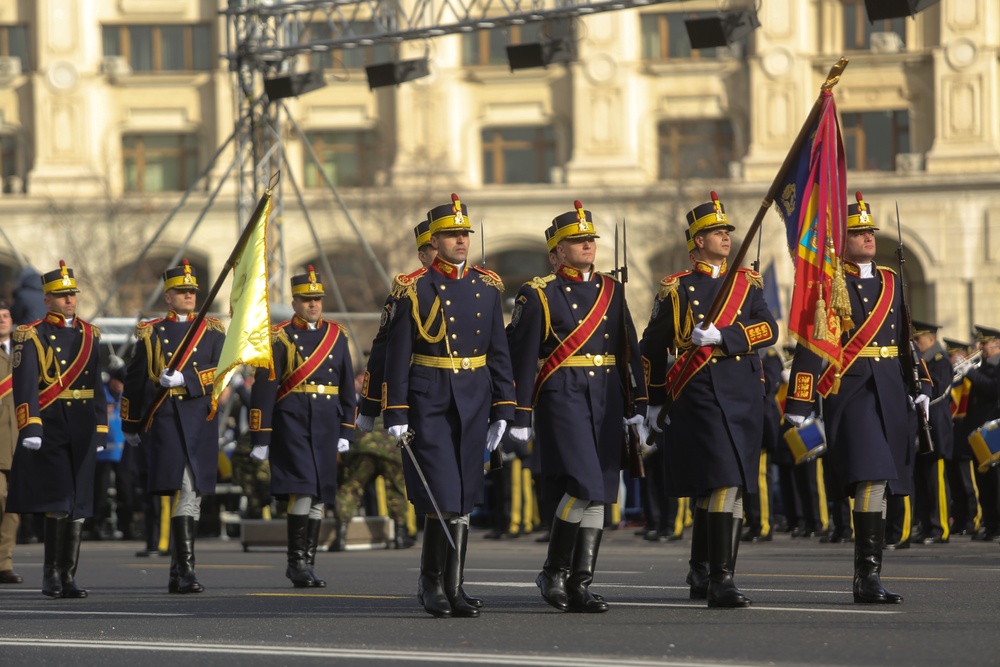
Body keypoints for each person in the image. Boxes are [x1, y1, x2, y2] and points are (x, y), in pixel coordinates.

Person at [784, 192, 930, 604]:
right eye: (858, 232)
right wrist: (800, 400)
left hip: (891, 387)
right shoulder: (830, 283)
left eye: (870, 231)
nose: (868, 237)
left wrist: (921, 386)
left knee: (883, 481)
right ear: (840, 240)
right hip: (851, 388)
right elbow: (813, 343)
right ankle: (865, 576)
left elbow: (906, 340)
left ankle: (871, 574)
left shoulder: (890, 280)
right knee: (870, 472)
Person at [506, 200, 647, 613]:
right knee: (582, 484)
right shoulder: (537, 293)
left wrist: (637, 398)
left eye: (590, 239)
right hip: (562, 393)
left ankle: (580, 582)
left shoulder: (612, 290)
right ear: (556, 253)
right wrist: (519, 411)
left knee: (599, 492)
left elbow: (628, 346)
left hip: (606, 394)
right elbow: (521, 354)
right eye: (577, 241)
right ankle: (553, 571)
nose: (587, 245)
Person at [640, 192, 777, 608]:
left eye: (727, 232)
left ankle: (701, 569)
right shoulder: (677, 288)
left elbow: (769, 329)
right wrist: (654, 401)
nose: (725, 237)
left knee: (731, 486)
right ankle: (722, 579)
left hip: (743, 392)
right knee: (722, 480)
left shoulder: (746, 283)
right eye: (717, 232)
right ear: (697, 240)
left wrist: (726, 337)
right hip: (699, 394)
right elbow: (651, 347)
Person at [382, 193, 515, 618]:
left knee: (464, 494)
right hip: (430, 397)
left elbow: (499, 352)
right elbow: (396, 354)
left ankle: (455, 585)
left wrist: (503, 408)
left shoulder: (487, 285)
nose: (461, 240)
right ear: (434, 242)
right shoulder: (413, 287)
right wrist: (396, 412)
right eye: (452, 235)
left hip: (474, 396)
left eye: (464, 234)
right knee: (442, 493)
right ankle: (431, 582)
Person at [121, 261, 225, 594]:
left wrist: (189, 378)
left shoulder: (212, 331)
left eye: (192, 292)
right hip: (165, 418)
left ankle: (179, 570)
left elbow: (222, 372)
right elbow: (135, 380)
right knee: (184, 486)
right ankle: (186, 571)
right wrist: (131, 424)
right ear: (168, 297)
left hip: (199, 417)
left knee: (193, 492)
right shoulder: (150, 332)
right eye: (182, 292)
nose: (189, 297)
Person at [248, 267, 356, 587]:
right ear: (294, 302)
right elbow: (264, 388)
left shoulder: (336, 335)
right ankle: (296, 562)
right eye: (306, 299)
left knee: (320, 493)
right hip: (292, 421)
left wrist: (346, 429)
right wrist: (261, 436)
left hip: (325, 422)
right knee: (303, 487)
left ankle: (308, 562)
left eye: (317, 299)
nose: (313, 305)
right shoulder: (279, 336)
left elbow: (347, 386)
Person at [7, 261, 108, 598]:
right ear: (47, 300)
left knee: (79, 503)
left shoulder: (90, 334)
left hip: (81, 425)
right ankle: (51, 574)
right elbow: (25, 386)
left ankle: (69, 575)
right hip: (50, 425)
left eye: (71, 295)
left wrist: (101, 428)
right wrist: (30, 424)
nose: (69, 301)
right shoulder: (31, 334)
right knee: (58, 500)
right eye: (61, 296)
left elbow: (96, 384)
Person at [910, 320, 953, 544]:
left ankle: (940, 528)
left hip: (936, 427)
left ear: (931, 340)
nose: (916, 343)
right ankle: (927, 525)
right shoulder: (921, 362)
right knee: (922, 481)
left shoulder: (939, 361)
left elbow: (937, 389)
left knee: (935, 481)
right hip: (922, 427)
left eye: (919, 339)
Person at [960, 325, 1000, 541]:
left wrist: (971, 373)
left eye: (984, 343)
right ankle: (991, 525)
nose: (980, 347)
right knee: (983, 483)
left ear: (996, 344)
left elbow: (994, 389)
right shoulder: (983, 366)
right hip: (978, 434)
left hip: (995, 433)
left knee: (996, 481)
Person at [0, 301, 23, 584]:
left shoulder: (23, 351)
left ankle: (4, 563)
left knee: (13, 506)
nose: (2, 321)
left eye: (6, 316)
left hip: (17, 441)